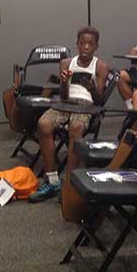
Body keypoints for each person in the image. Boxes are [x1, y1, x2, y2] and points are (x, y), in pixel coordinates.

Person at [29, 27, 109, 203]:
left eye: (90, 44)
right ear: (77, 45)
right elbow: (63, 95)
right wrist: (64, 82)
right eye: (82, 43)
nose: (86, 47)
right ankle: (52, 180)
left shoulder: (101, 66)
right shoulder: (66, 63)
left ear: (96, 46)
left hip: (86, 105)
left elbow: (98, 100)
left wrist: (91, 88)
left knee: (76, 128)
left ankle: (69, 180)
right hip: (65, 103)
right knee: (43, 124)